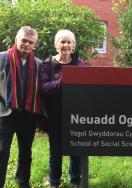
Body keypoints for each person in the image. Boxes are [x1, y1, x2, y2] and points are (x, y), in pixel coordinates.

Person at [41, 29, 86, 188]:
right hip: (54, 116)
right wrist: (65, 80)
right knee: (55, 152)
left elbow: (85, 88)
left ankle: (75, 180)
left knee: (76, 151)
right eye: (62, 41)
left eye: (69, 42)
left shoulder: (80, 63)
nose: (66, 45)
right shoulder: (48, 64)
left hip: (75, 116)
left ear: (73, 45)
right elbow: (44, 88)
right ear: (56, 44)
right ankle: (54, 182)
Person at [0, 26, 43, 188]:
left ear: (34, 45)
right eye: (23, 40)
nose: (26, 44)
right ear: (16, 40)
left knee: (26, 151)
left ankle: (23, 181)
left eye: (30, 42)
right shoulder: (2, 58)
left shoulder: (38, 64)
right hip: (6, 113)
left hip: (28, 114)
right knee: (2, 150)